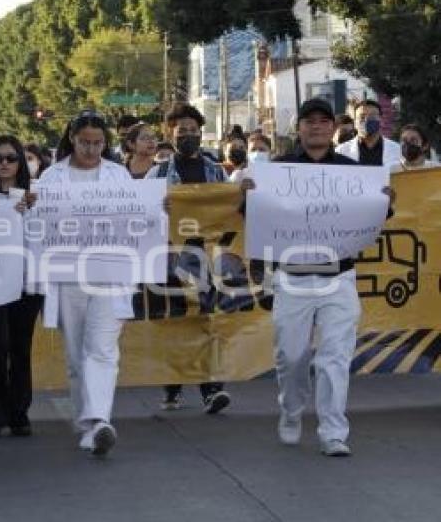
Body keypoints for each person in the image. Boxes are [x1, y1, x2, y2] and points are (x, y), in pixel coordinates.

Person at [240, 98, 395, 457]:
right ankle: (291, 410)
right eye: (309, 121)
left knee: (334, 357)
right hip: (292, 278)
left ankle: (333, 430)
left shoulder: (351, 172)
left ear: (333, 128)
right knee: (291, 356)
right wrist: (247, 196)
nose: (317, 127)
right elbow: (254, 218)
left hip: (338, 277)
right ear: (300, 128)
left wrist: (385, 201)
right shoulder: (278, 170)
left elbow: (372, 218)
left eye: (324, 121)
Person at [38, 110, 133, 456]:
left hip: (110, 275)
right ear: (72, 140)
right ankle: (86, 422)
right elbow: (38, 224)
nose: (91, 150)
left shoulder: (118, 176)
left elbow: (138, 219)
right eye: (84, 143)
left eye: (97, 143)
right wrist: (29, 207)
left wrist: (157, 209)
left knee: (103, 349)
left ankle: (99, 421)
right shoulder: (51, 177)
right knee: (78, 355)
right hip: (68, 278)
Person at [145, 103, 232, 414]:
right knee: (175, 322)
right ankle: (173, 387)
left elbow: (229, 208)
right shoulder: (157, 174)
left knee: (207, 322)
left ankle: (211, 389)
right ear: (171, 133)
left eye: (194, 131)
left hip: (206, 258)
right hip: (170, 258)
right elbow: (145, 216)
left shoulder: (216, 170)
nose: (189, 136)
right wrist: (160, 210)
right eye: (183, 132)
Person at [0, 135, 43, 439]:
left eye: (11, 158)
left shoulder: (36, 196)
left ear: (21, 163)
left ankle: (19, 413)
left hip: (27, 284)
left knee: (21, 348)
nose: (4, 164)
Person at [336, 100, 400, 169]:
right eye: (362, 117)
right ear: (354, 122)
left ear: (381, 120)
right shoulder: (341, 151)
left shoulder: (397, 150)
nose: (367, 120)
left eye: (372, 116)